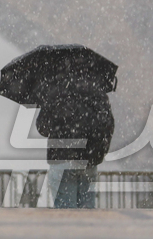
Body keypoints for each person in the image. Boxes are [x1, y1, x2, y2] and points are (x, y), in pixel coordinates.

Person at [35, 75, 114, 209]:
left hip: (62, 159)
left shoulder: (56, 91)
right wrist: (97, 153)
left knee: (66, 215)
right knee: (87, 213)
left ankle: (71, 229)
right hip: (89, 161)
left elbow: (42, 127)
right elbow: (108, 125)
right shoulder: (97, 91)